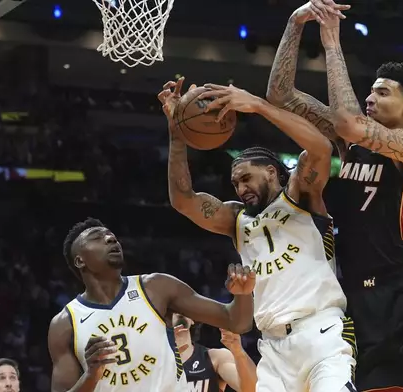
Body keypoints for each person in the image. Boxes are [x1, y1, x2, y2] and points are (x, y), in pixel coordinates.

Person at [266, 2, 403, 391]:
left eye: (381, 92)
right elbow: (280, 93)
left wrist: (332, 41)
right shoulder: (348, 140)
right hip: (355, 299)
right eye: (369, 90)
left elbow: (350, 123)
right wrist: (294, 23)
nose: (370, 98)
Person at [160, 78, 357, 392]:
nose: (241, 188)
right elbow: (184, 200)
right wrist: (177, 132)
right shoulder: (235, 218)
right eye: (236, 183)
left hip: (321, 332)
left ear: (271, 172)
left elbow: (320, 148)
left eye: (246, 178)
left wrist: (258, 105)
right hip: (273, 348)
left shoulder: (300, 193)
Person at [48, 217, 255, 392]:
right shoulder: (65, 324)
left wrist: (243, 295)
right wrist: (91, 375)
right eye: (97, 238)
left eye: (111, 235)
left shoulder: (156, 287)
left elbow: (236, 322)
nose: (111, 239)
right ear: (80, 261)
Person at [173, 313, 257, 392]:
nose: (178, 312)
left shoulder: (216, 357)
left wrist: (238, 352)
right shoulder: (160, 361)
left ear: (192, 320)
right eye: (171, 310)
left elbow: (253, 389)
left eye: (183, 309)